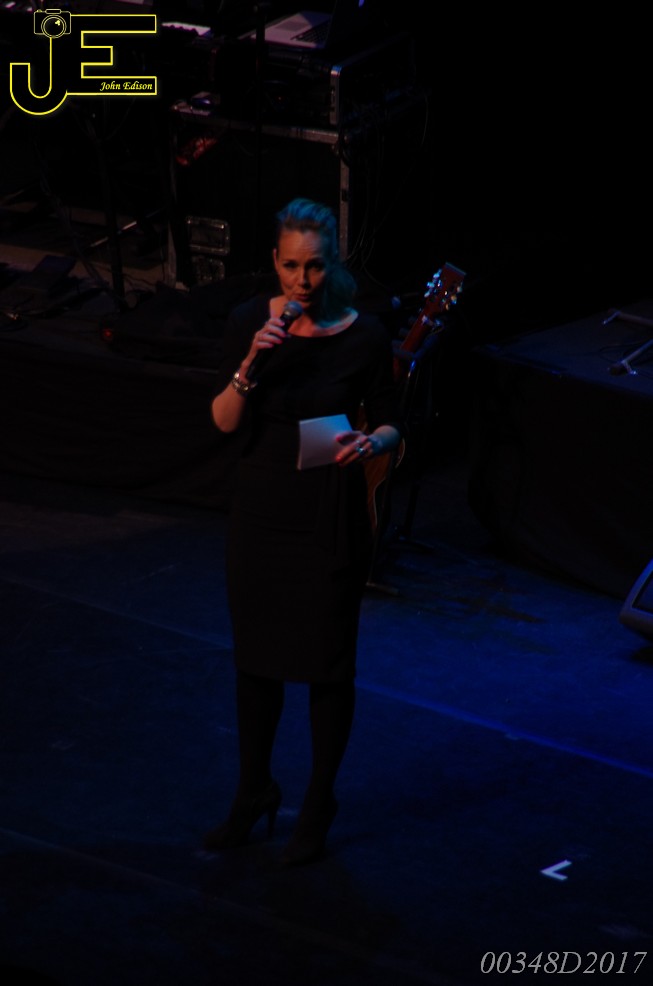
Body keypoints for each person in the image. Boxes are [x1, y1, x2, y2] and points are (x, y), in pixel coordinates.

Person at [205, 197, 403, 865]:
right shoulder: (248, 323)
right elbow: (223, 422)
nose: (301, 281)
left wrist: (373, 442)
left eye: (314, 267)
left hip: (327, 510)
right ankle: (253, 791)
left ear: (333, 264)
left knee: (326, 666)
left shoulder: (363, 334)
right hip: (262, 511)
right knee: (256, 662)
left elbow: (392, 419)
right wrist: (249, 363)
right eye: (290, 266)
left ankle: (319, 803)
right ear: (274, 262)